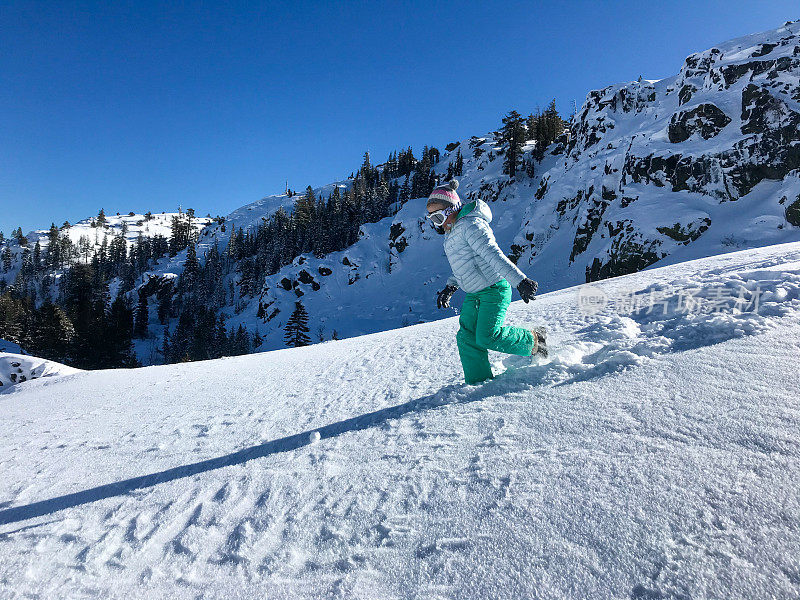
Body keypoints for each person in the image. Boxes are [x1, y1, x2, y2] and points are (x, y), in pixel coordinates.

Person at [427, 179, 547, 385]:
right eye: (432, 219)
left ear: (453, 209)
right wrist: (451, 286)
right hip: (474, 294)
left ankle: (535, 340)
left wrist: (520, 281)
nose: (437, 224)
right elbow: (465, 264)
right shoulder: (453, 232)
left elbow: (492, 255)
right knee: (467, 338)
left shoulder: (471, 225)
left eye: (438, 217)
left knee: (488, 336)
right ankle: (478, 383)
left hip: (494, 289)